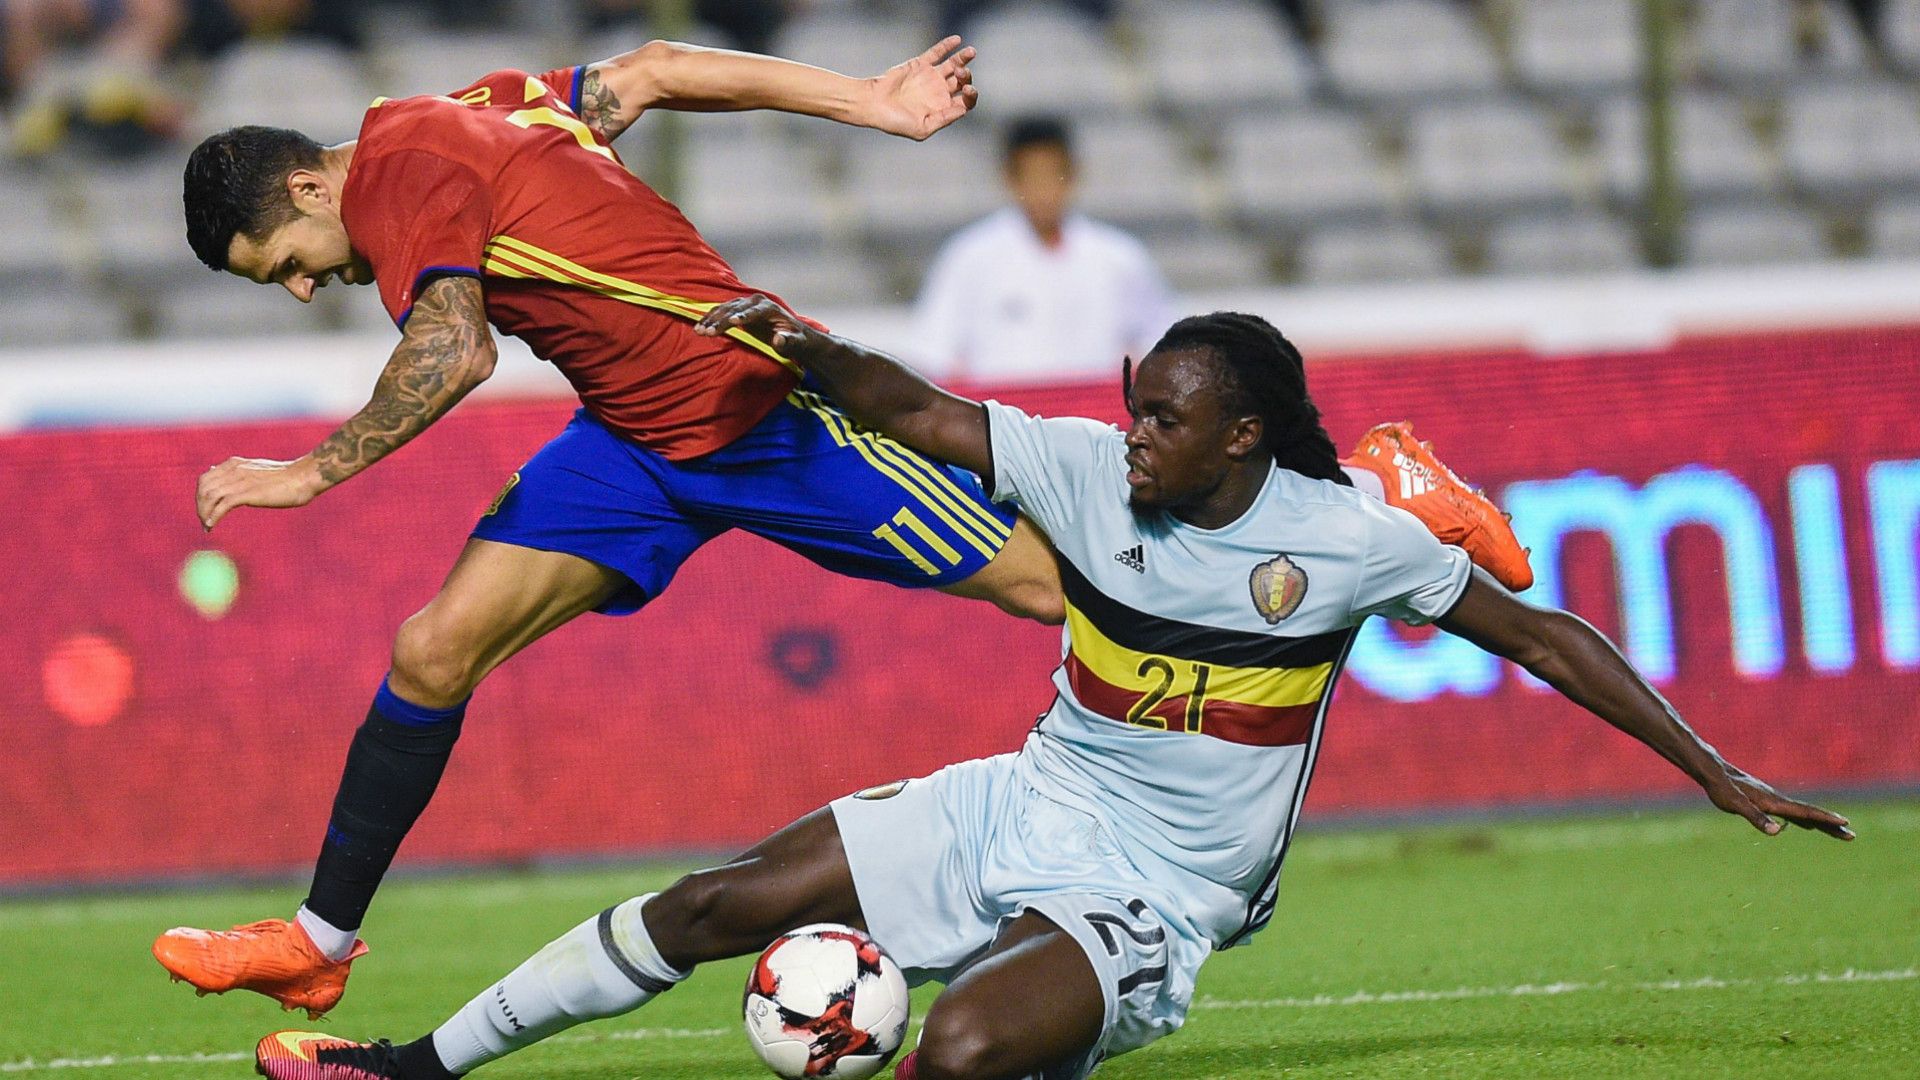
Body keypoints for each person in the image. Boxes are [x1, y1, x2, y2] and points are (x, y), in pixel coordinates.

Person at [152, 33, 1530, 1021]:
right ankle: (321, 943)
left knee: (1063, 589)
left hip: (767, 414)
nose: (303, 291)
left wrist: (307, 473)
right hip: (632, 443)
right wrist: (866, 101)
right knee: (432, 650)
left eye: (285, 270)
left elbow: (452, 350)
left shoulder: (397, 176)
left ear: (311, 189)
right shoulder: (469, 112)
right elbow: (655, 70)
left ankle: (1375, 504)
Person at [248, 296, 1851, 1080]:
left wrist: (1713, 767)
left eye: (1166, 420)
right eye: (1134, 407)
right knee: (718, 902)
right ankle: (410, 1069)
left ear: (1241, 439)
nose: (1133, 433)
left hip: (1167, 886)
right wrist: (798, 347)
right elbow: (917, 407)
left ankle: (1415, 477)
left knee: (953, 1053)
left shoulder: (1340, 547)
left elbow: (1546, 636)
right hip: (1031, 794)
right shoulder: (1087, 468)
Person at [908, 115, 1175, 382]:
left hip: (1093, 405)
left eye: (1053, 175)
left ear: (1073, 175)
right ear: (1010, 178)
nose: (1044, 190)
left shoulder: (1119, 257)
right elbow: (934, 352)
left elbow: (1160, 341)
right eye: (1033, 177)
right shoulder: (970, 257)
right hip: (1001, 404)